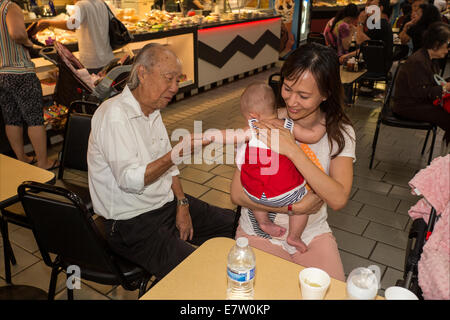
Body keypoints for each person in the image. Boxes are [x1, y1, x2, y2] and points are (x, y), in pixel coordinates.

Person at [87, 43, 236, 280]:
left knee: (236, 223)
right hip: (130, 223)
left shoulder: (152, 110)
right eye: (169, 79)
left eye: (178, 80)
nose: (175, 87)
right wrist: (177, 153)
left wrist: (182, 203)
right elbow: (130, 181)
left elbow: (169, 169)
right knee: (201, 274)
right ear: (142, 73)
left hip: (165, 205)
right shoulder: (114, 115)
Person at [230, 43, 356, 282]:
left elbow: (338, 198)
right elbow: (237, 194)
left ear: (325, 94)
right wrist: (293, 208)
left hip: (312, 233)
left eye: (304, 95)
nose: (292, 102)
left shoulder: (340, 132)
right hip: (260, 233)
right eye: (288, 89)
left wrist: (293, 152)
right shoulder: (265, 120)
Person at [232, 82, 326, 253]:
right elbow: (312, 136)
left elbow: (231, 136)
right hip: (286, 194)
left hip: (255, 194)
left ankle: (263, 221)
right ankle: (294, 236)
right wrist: (324, 122)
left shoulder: (252, 129)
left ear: (253, 116)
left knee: (254, 191)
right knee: (303, 201)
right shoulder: (286, 125)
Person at [0, 0, 58, 170]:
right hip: (20, 72)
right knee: (34, 119)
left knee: (11, 119)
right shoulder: (10, 6)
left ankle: (22, 158)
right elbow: (17, 34)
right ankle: (43, 162)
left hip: (2, 73)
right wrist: (29, 43)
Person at [393, 22, 450, 146]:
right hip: (407, 105)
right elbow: (421, 92)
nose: (448, 49)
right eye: (447, 44)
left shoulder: (428, 58)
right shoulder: (418, 61)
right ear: (436, 44)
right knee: (446, 116)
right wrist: (445, 87)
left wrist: (445, 84)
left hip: (417, 101)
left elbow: (432, 83)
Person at [37, 0, 114, 73]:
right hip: (108, 58)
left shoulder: (82, 5)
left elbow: (72, 25)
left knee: (92, 85)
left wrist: (48, 23)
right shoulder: (102, 3)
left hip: (92, 61)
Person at [356, 0, 394, 75]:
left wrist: (360, 22)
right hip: (381, 65)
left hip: (376, 68)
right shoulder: (380, 23)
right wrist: (348, 55)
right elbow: (367, 46)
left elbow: (359, 41)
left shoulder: (380, 24)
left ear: (380, 8)